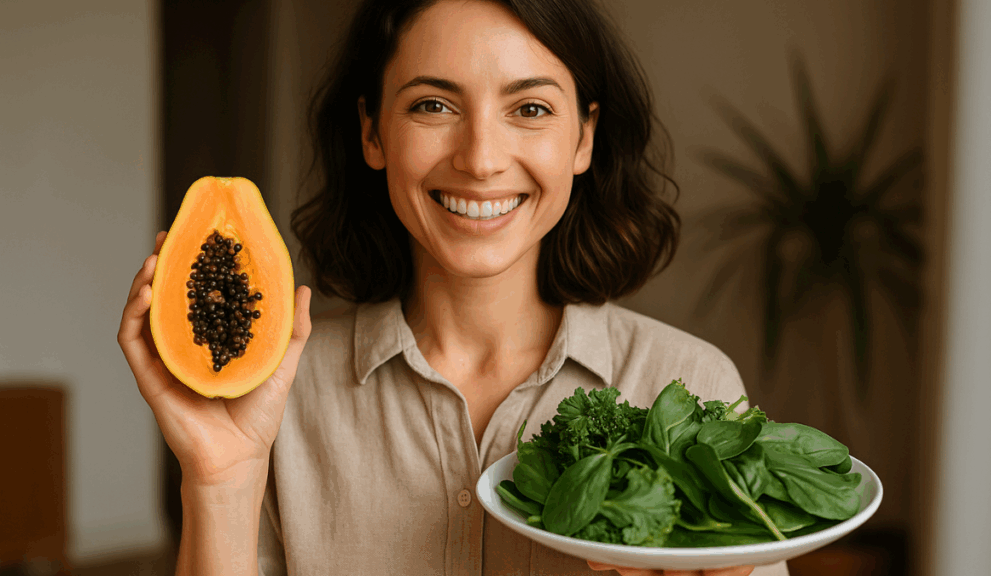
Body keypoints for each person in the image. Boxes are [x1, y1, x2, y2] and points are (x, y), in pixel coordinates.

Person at [118, 0, 790, 574]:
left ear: (584, 137)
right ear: (373, 132)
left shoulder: (692, 384)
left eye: (529, 108)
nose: (481, 159)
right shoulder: (278, 395)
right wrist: (220, 480)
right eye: (433, 105)